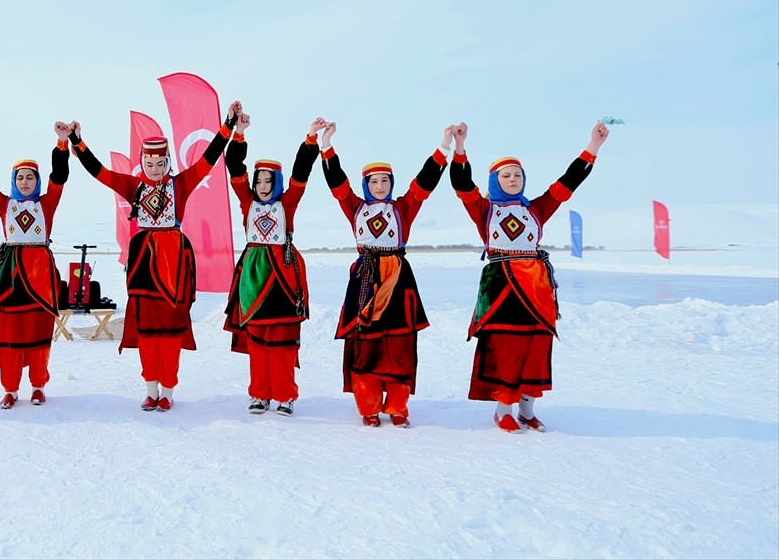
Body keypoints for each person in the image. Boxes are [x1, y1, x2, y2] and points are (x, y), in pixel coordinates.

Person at [68, 102, 239, 411]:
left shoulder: (181, 184)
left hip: (174, 264)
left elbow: (208, 161)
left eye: (160, 163)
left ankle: (168, 391)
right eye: (149, 162)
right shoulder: (132, 185)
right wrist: (77, 143)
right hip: (144, 264)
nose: (155, 168)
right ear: (142, 162)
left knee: (171, 330)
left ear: (167, 162)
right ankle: (150, 388)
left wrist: (227, 125)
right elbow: (101, 174)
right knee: (147, 330)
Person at [449, 121, 609, 433]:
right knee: (507, 346)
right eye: (506, 175)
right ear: (495, 180)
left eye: (517, 175)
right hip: (502, 286)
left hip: (535, 286)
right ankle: (503, 409)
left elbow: (568, 182)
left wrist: (594, 146)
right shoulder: (484, 209)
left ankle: (527, 408)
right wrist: (459, 147)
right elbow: (461, 184)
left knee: (536, 345)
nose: (512, 179)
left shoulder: (537, 208)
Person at [321, 122, 454, 428]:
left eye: (385, 181)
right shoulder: (355, 207)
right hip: (365, 279)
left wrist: (444, 146)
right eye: (374, 181)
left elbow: (425, 184)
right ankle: (368, 405)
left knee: (398, 344)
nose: (380, 186)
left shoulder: (403, 208)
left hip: (398, 280)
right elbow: (337, 184)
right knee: (365, 343)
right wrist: (326, 145)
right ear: (366, 184)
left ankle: (397, 406)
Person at [222, 113, 322, 417]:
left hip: (283, 275)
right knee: (258, 342)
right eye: (259, 180)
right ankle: (260, 394)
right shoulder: (246, 202)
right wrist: (239, 134)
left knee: (282, 342)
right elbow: (234, 166)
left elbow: (301, 174)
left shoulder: (287, 203)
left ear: (276, 183)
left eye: (268, 181)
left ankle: (285, 395)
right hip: (253, 275)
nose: (263, 186)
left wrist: (311, 140)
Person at [0, 122, 71, 409]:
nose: (25, 182)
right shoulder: (5, 205)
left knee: (39, 333)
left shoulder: (46, 204)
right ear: (14, 181)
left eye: (30, 178)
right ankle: (10, 389)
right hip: (10, 277)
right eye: (20, 178)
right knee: (11, 334)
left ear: (36, 181)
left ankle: (38, 386)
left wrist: (62, 143)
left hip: (40, 275)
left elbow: (59, 176)